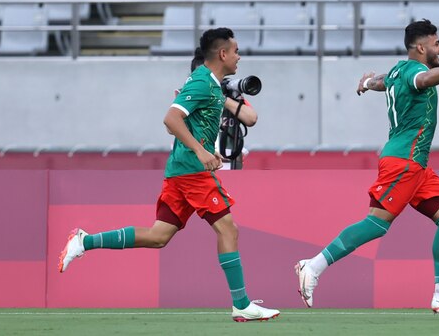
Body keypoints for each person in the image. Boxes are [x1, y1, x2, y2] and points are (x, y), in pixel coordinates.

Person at [58, 28, 280, 322]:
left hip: (181, 170)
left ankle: (84, 241)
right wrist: (201, 153)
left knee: (158, 236)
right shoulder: (202, 82)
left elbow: (211, 121)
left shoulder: (212, 86)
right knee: (229, 230)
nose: (239, 57)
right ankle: (241, 304)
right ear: (222, 54)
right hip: (192, 172)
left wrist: (205, 149)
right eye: (236, 51)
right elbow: (170, 119)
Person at [294, 20, 439, 317]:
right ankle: (313, 265)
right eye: (436, 43)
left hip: (416, 165)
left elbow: (384, 81)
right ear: (421, 48)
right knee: (377, 224)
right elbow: (425, 81)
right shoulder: (418, 73)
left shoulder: (398, 70)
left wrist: (367, 84)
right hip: (403, 162)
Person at [189, 48, 257, 168]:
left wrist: (222, 98)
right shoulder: (188, 95)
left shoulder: (229, 93)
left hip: (228, 161)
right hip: (198, 163)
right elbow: (172, 126)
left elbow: (251, 118)